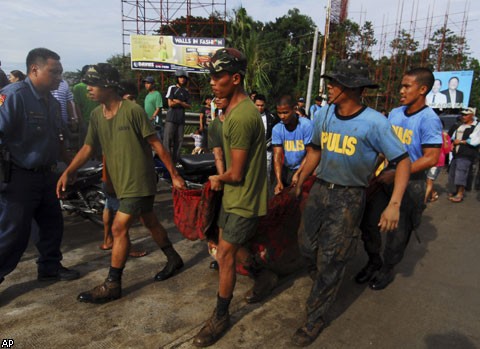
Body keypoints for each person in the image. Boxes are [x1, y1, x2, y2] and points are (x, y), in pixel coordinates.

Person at [292, 59, 411, 347]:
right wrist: (301, 177)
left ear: (353, 88)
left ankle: (314, 318)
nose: (329, 87)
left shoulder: (375, 123)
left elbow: (403, 162)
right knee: (306, 247)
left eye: (335, 82)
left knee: (332, 259)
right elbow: (316, 151)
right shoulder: (324, 114)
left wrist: (394, 203)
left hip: (349, 196)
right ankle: (325, 278)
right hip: (320, 189)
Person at [56, 63, 186, 304]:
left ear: (108, 85)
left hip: (139, 180)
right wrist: (69, 171)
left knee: (119, 228)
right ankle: (173, 258)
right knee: (150, 221)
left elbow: (156, 144)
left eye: (93, 84)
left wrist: (174, 174)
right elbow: (88, 147)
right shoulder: (96, 115)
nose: (89, 90)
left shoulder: (133, 110)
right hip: (118, 182)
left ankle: (113, 283)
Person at [193, 48, 270, 347]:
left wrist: (216, 178)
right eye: (211, 76)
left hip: (244, 197)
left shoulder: (241, 117)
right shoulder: (234, 112)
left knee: (224, 254)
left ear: (235, 78)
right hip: (235, 196)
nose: (212, 82)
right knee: (232, 249)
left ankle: (221, 316)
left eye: (218, 76)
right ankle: (264, 276)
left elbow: (236, 174)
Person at [357, 67, 442, 292]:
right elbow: (384, 149)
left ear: (422, 89)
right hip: (386, 178)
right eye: (401, 85)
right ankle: (373, 260)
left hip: (411, 183)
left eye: (407, 86)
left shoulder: (429, 119)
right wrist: (371, 171)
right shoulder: (395, 114)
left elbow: (431, 157)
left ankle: (387, 268)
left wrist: (399, 173)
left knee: (397, 234)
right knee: (368, 223)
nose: (401, 91)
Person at [0, 47, 80, 286]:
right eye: (54, 72)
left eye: (60, 72)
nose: (59, 77)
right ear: (34, 70)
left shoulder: (52, 103)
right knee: (12, 232)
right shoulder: (13, 96)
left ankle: (50, 268)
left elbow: (58, 140)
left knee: (51, 224)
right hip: (18, 177)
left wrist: (71, 166)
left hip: (46, 175)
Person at [272, 94, 313, 195]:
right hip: (287, 170)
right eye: (279, 113)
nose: (282, 116)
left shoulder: (306, 125)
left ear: (295, 109)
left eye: (285, 112)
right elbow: (277, 156)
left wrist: (298, 173)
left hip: (304, 169)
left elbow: (310, 154)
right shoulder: (277, 129)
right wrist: (279, 181)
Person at [448, 107, 480, 202]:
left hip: (467, 153)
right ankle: (455, 191)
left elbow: (475, 141)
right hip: (456, 154)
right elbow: (453, 137)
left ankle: (460, 194)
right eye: (462, 114)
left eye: (466, 115)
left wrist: (460, 142)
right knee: (452, 173)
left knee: (461, 173)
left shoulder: (477, 126)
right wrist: (452, 143)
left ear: (472, 115)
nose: (463, 116)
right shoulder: (460, 125)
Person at [163, 69, 191, 164]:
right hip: (171, 118)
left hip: (181, 119)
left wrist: (179, 102)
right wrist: (182, 103)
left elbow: (189, 106)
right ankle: (166, 161)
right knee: (168, 139)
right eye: (180, 77)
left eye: (184, 78)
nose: (182, 79)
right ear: (177, 78)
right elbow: (170, 103)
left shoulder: (186, 91)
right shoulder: (172, 88)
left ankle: (175, 162)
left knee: (179, 141)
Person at [254, 94, 279, 194]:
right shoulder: (248, 116)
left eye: (262, 105)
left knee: (266, 174)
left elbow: (276, 133)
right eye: (257, 105)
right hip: (252, 151)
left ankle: (266, 197)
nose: (260, 107)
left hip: (266, 151)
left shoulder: (272, 117)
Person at [73, 65, 99, 148]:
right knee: (85, 144)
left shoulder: (99, 86)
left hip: (99, 119)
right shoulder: (78, 87)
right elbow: (77, 105)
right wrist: (81, 122)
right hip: (85, 120)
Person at [425, 121, 452, 202]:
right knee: (427, 180)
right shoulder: (428, 134)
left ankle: (423, 201)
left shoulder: (445, 136)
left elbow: (447, 150)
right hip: (426, 160)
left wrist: (444, 139)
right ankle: (433, 194)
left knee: (429, 181)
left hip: (437, 162)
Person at [52, 79, 79, 150]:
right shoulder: (44, 81)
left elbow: (68, 101)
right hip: (49, 121)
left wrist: (72, 118)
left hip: (63, 121)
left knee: (64, 145)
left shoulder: (64, 83)